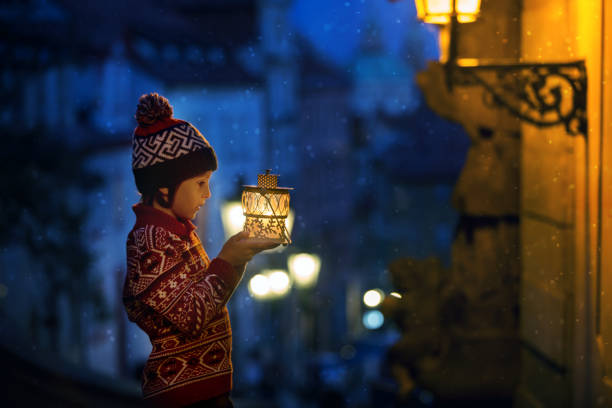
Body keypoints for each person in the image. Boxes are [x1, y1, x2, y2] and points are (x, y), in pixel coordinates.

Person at [123, 93, 278, 408]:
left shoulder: (174, 233)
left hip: (201, 390)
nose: (208, 194)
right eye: (200, 182)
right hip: (182, 396)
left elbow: (204, 299)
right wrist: (229, 259)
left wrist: (237, 258)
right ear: (165, 187)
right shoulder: (151, 239)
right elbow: (191, 316)